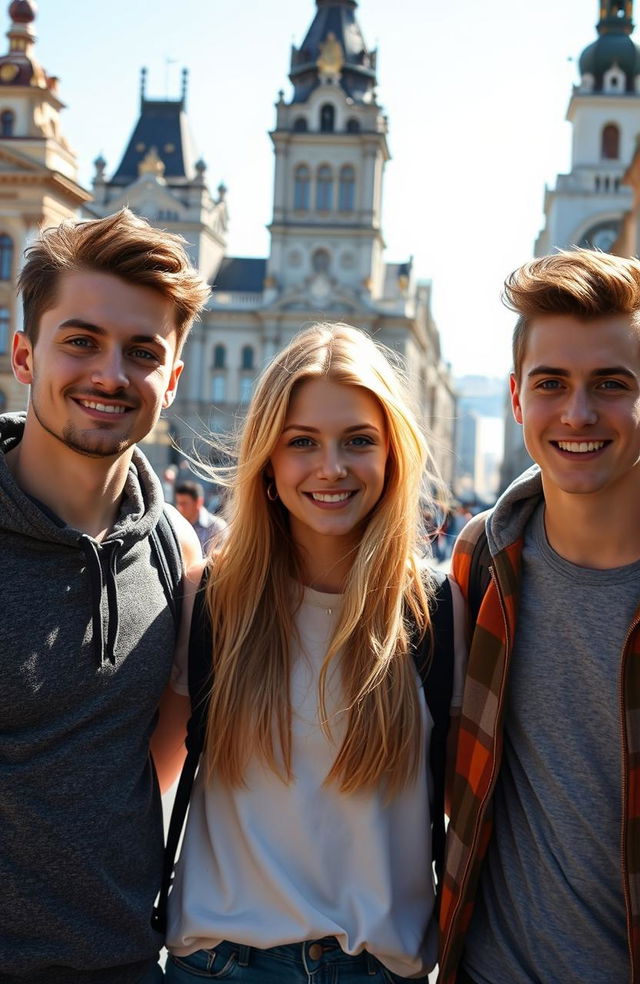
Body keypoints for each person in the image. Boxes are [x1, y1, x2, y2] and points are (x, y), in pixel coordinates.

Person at [163, 323, 466, 983]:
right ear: (268, 459)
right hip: (218, 964)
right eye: (302, 442)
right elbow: (145, 782)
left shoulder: (438, 610)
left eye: (358, 440)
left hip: (378, 968)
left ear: (392, 455)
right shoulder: (210, 599)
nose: (331, 467)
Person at [0, 208, 209, 984]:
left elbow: (147, 761)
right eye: (81, 341)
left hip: (123, 963)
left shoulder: (176, 550)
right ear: (25, 354)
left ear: (173, 379)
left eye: (142, 352)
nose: (110, 374)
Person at [439, 249, 640, 984]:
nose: (578, 413)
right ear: (518, 400)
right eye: (551, 383)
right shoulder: (482, 562)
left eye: (611, 385)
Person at [175, 479, 227, 552]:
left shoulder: (217, 528)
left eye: (184, 504)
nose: (180, 508)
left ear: (198, 502)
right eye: (178, 503)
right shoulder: (177, 526)